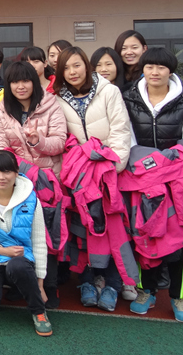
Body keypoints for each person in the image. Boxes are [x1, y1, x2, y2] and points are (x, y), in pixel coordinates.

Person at [123, 48, 183, 323]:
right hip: (144, 179)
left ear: (170, 71)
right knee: (145, 233)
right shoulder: (130, 99)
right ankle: (146, 291)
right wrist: (149, 168)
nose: (154, 72)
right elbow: (129, 139)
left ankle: (180, 296)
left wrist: (165, 164)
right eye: (149, 67)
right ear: (142, 69)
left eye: (160, 67)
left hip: (179, 178)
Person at [53, 46, 132, 311]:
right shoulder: (58, 98)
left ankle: (112, 284)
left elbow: (121, 130)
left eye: (76, 65)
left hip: (109, 172)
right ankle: (86, 281)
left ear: (87, 66)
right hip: (79, 174)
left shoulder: (108, 91)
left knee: (112, 228)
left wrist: (113, 167)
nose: (72, 72)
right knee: (82, 229)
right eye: (65, 68)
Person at [0, 61, 66, 306]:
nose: (20, 86)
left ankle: (50, 286)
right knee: (19, 232)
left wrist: (38, 141)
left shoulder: (50, 104)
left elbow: (59, 143)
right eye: (14, 81)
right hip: (18, 180)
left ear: (34, 82)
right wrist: (19, 171)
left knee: (47, 235)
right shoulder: (4, 109)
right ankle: (22, 283)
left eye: (25, 80)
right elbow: (0, 146)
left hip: (48, 181)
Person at [0, 150, 52, 337]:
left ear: (16, 173)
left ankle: (38, 311)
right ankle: (12, 285)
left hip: (21, 260)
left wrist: (39, 284)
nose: (1, 177)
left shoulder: (31, 199)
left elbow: (39, 241)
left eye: (7, 171)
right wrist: (1, 250)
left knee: (17, 267)